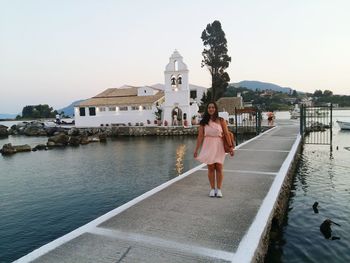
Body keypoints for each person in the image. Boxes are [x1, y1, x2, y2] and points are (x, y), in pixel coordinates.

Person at [194, 102, 234, 198]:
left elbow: (226, 134)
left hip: (219, 145)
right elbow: (200, 137)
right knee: (211, 167)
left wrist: (230, 147)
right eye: (209, 107)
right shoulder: (204, 122)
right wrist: (196, 150)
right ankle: (212, 189)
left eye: (213, 107)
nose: (211, 109)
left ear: (216, 109)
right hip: (208, 145)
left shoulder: (221, 120)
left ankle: (219, 189)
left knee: (219, 167)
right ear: (207, 109)